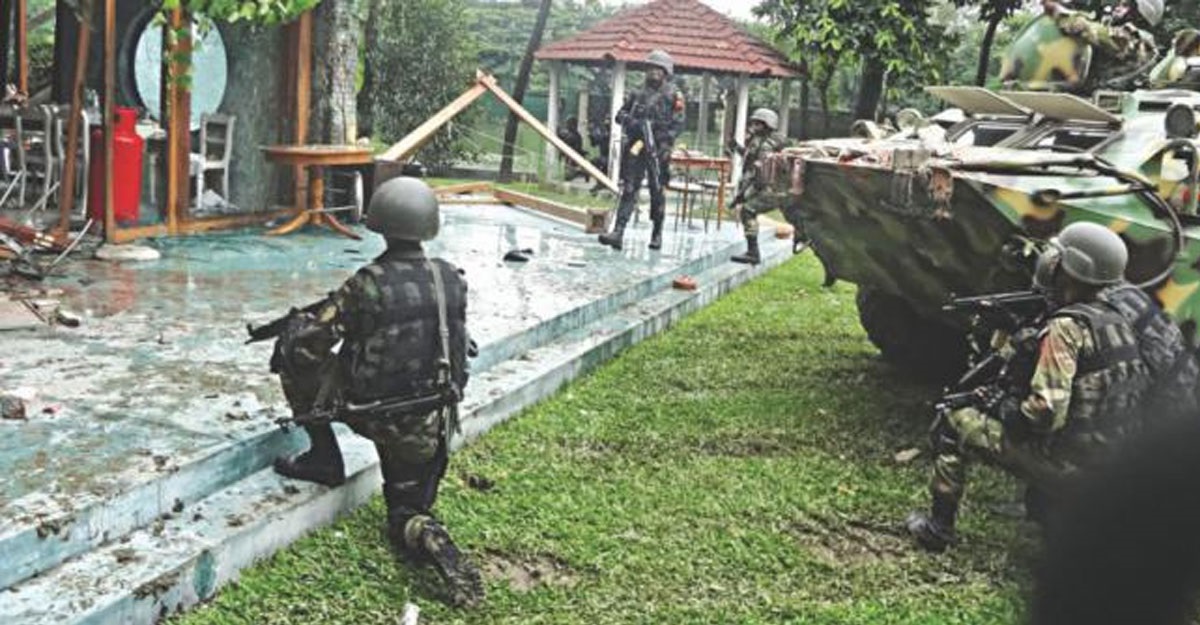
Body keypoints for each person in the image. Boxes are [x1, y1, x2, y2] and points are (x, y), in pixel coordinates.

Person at [270, 177, 484, 608]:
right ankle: (429, 535)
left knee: (290, 352)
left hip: (375, 412)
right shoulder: (450, 280)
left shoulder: (367, 283)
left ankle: (324, 459)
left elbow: (310, 343)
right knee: (405, 515)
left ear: (379, 224)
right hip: (429, 427)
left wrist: (298, 332)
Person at [906, 222, 1151, 552]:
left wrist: (1001, 407)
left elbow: (1045, 413)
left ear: (1069, 269)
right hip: (1114, 466)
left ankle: (937, 530)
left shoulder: (1066, 328)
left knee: (954, 417)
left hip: (1074, 466)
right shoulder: (1117, 319)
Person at [597, 49, 685, 251]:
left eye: (658, 69)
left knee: (657, 191)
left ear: (666, 72)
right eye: (651, 68)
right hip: (636, 147)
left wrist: (663, 141)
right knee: (629, 188)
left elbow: (679, 124)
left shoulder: (674, 94)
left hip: (659, 149)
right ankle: (618, 232)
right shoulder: (637, 93)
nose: (653, 72)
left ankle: (657, 233)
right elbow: (620, 115)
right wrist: (634, 123)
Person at [1040, 0, 1161, 92]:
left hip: (1108, 106)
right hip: (1092, 98)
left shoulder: (1138, 38)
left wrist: (1058, 11)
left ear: (1140, 14)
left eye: (1125, 5)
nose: (1117, 8)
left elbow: (1087, 30)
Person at [728, 108, 789, 265]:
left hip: (772, 188)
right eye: (753, 122)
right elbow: (751, 158)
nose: (753, 125)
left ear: (767, 125)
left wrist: (743, 194)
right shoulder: (760, 140)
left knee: (748, 211)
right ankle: (752, 252)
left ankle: (753, 253)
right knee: (747, 211)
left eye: (758, 123)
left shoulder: (767, 144)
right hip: (768, 187)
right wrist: (737, 147)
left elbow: (758, 169)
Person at [557, 116, 587, 182]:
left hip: (573, 156)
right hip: (570, 155)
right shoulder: (572, 134)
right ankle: (573, 173)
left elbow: (569, 142)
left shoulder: (574, 135)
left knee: (569, 170)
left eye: (569, 124)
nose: (567, 125)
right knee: (568, 165)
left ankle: (576, 173)